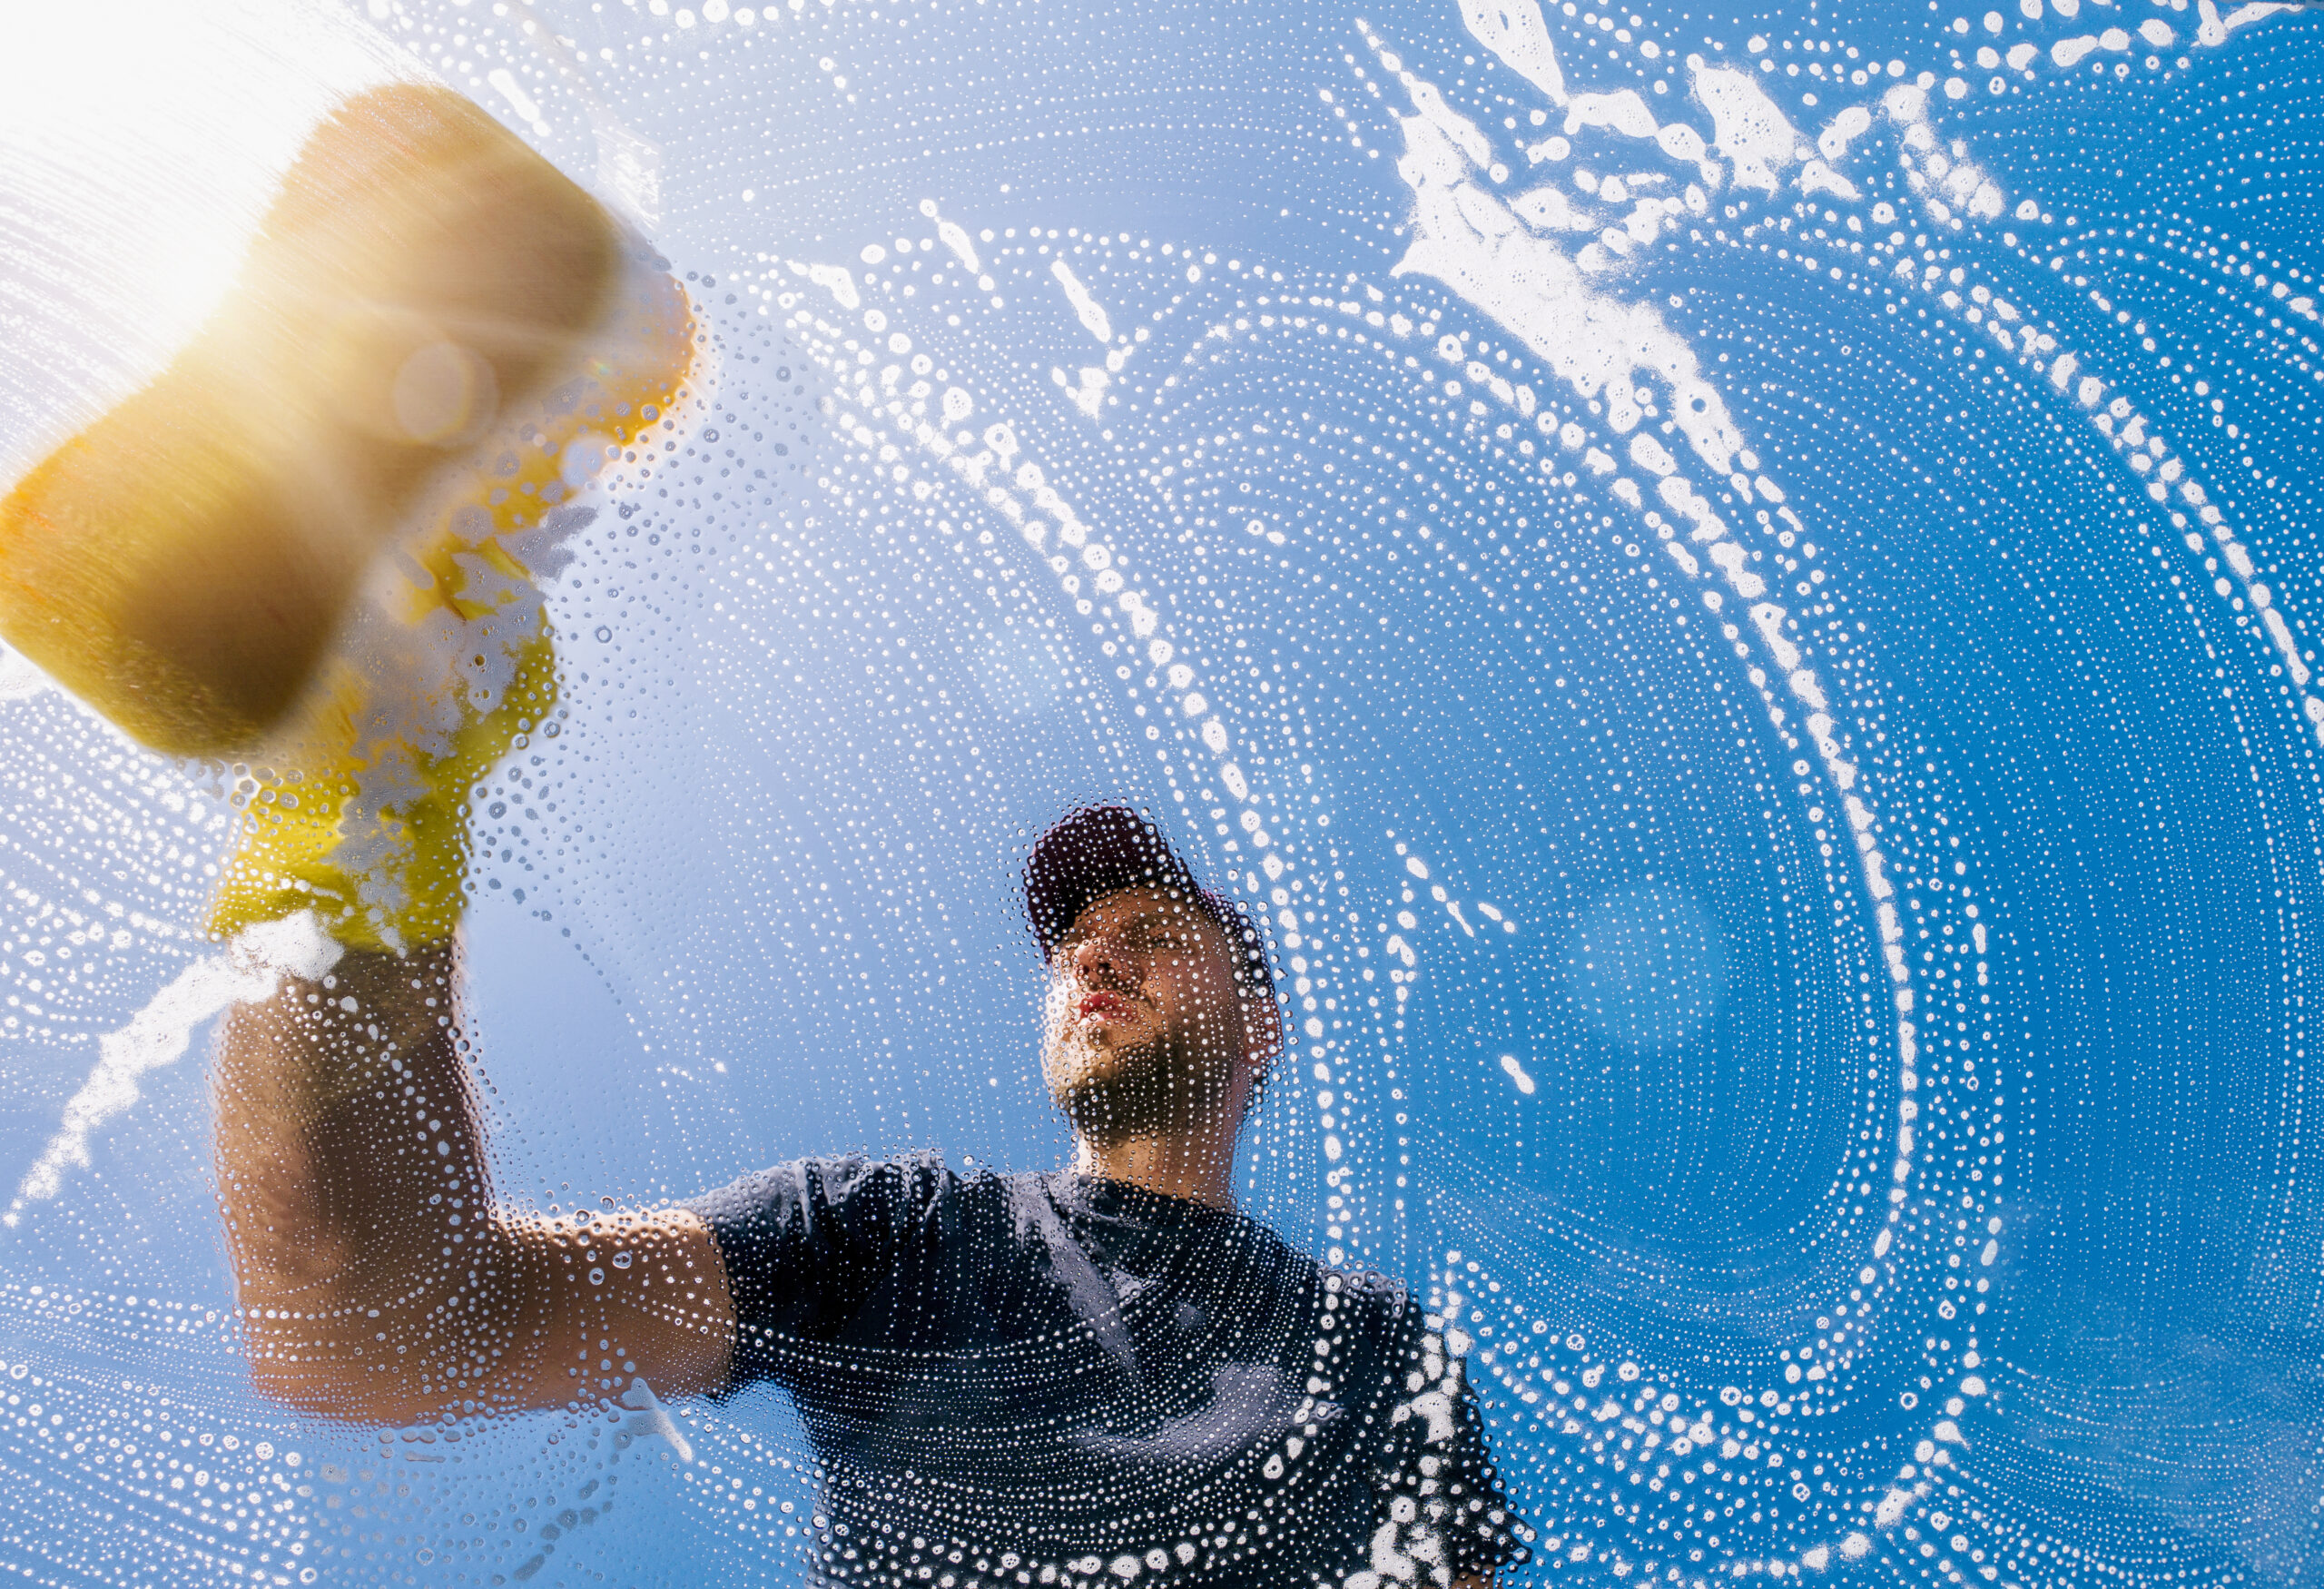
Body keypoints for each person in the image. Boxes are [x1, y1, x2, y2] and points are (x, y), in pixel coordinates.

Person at [0, 79, 1526, 1589]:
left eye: (1151, 928)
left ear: (1261, 1023)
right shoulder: (899, 1240)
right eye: (1073, 937)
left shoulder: (1382, 1361)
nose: (1091, 951)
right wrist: (357, 829)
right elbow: (374, 1324)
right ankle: (373, 737)